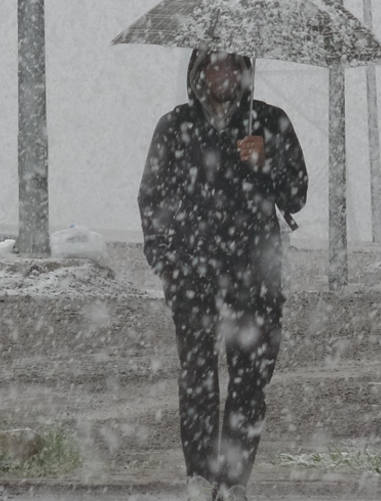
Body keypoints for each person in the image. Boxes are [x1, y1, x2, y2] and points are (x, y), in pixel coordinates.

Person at [137, 49, 308, 501]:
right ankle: (200, 477)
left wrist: (266, 159)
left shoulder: (270, 123)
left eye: (232, 65)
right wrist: (166, 264)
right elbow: (153, 199)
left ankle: (234, 482)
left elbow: (296, 196)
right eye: (213, 64)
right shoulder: (175, 127)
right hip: (193, 275)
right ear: (197, 71)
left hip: (256, 277)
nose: (222, 74)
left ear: (245, 72)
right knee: (197, 377)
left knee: (250, 379)